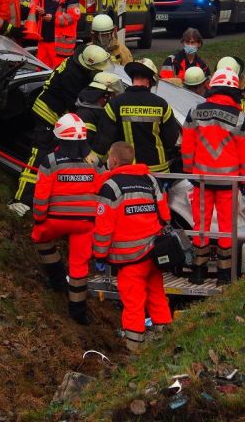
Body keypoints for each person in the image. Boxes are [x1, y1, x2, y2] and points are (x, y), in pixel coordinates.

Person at [9, 44, 112, 214]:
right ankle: (20, 200)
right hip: (47, 113)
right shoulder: (74, 76)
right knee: (39, 154)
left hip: (52, 107)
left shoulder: (78, 61)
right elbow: (76, 102)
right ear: (89, 65)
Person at [93, 141, 172, 352]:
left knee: (134, 304)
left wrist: (99, 255)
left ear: (114, 160)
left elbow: (103, 227)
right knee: (157, 295)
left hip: (129, 258)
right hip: (154, 252)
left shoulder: (110, 186)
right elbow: (165, 214)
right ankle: (167, 341)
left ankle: (134, 351)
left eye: (109, 157)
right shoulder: (150, 180)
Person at [181, 68, 245, 285]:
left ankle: (198, 272)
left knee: (200, 225)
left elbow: (187, 145)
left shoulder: (195, 111)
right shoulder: (240, 117)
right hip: (228, 182)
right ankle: (223, 275)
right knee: (226, 227)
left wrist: (188, 170)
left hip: (200, 180)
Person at [31, 113, 102, 325]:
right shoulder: (95, 161)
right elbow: (102, 190)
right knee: (79, 266)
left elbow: (41, 197)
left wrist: (39, 219)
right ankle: (78, 312)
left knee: (41, 238)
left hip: (55, 220)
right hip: (85, 223)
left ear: (59, 136)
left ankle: (57, 279)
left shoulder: (50, 161)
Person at [92, 59, 180, 174]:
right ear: (150, 81)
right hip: (157, 171)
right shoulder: (162, 104)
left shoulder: (115, 104)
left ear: (133, 79)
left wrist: (93, 164)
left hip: (127, 171)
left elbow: (103, 140)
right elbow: (171, 139)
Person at [27, 0, 81, 68]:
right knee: (41, 72)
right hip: (43, 40)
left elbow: (73, 16)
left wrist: (52, 18)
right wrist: (33, 8)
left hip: (60, 44)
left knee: (58, 73)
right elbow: (33, 4)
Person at [74, 72, 124, 147]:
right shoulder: (87, 115)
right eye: (113, 96)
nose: (113, 100)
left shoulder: (89, 110)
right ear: (106, 97)